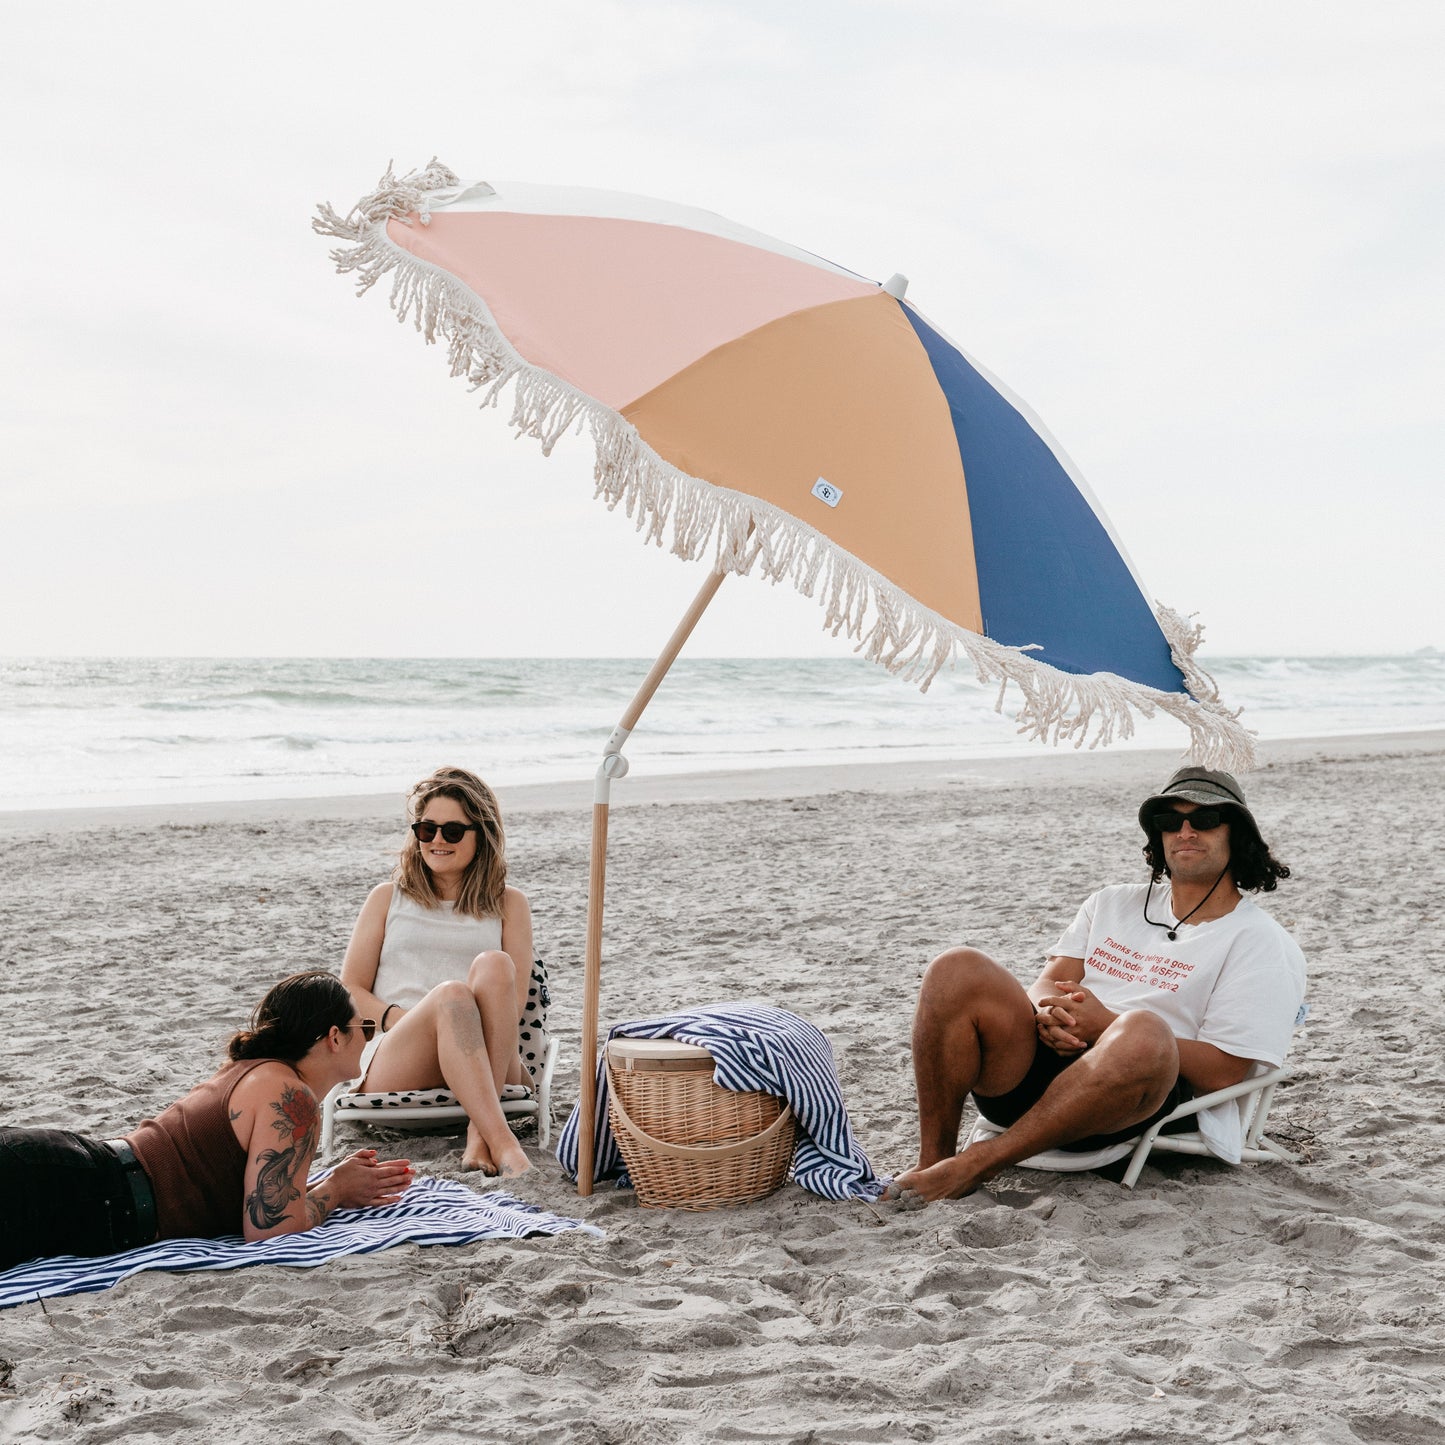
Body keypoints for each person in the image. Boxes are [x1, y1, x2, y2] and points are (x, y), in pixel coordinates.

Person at [890, 766, 1305, 1205]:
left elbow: (1226, 1072)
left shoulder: (1261, 941)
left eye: (1204, 820)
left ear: (1237, 835)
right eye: (1169, 821)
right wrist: (1052, 1013)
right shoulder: (1111, 902)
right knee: (955, 966)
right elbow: (1050, 980)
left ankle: (974, 1164)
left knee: (1143, 1029)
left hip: (1135, 1097)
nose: (1185, 831)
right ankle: (932, 1162)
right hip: (1037, 1073)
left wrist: (1106, 1025)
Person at [0, 971, 414, 1271]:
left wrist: (327, 1182)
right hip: (79, 1196)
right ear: (334, 1037)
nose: (369, 1035)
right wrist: (338, 1189)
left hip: (75, 1178)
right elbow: (270, 1232)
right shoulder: (292, 1097)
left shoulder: (257, 1071)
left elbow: (253, 1191)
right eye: (363, 1026)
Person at [340, 766, 534, 1178]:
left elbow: (512, 1007)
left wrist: (456, 1016)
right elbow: (351, 989)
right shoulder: (387, 898)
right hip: (400, 1054)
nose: (437, 841)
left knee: (496, 965)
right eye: (426, 830)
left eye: (452, 831)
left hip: (491, 1054)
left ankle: (478, 1135)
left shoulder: (509, 903)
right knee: (452, 995)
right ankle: (499, 1141)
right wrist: (404, 1019)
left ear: (481, 835)